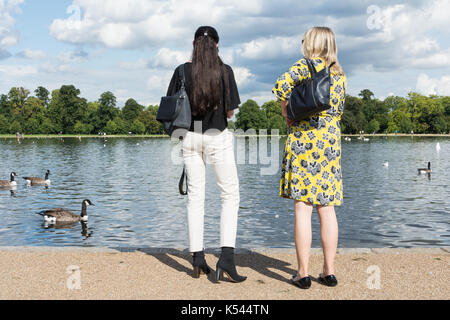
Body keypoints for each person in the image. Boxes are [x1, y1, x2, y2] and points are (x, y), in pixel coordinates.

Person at [166, 26, 246, 283]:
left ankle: (198, 258)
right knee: (229, 195)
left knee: (196, 198)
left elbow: (171, 105)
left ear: (194, 43)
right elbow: (231, 113)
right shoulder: (225, 71)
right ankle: (227, 258)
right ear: (217, 45)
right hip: (216, 136)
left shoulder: (181, 71)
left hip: (189, 137)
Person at [272, 26, 347, 289]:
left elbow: (280, 85)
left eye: (304, 39)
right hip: (329, 144)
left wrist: (287, 113)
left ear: (312, 43)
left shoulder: (307, 66)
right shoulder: (339, 75)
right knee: (326, 209)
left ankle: (303, 273)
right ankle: (328, 270)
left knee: (303, 208)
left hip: (304, 141)